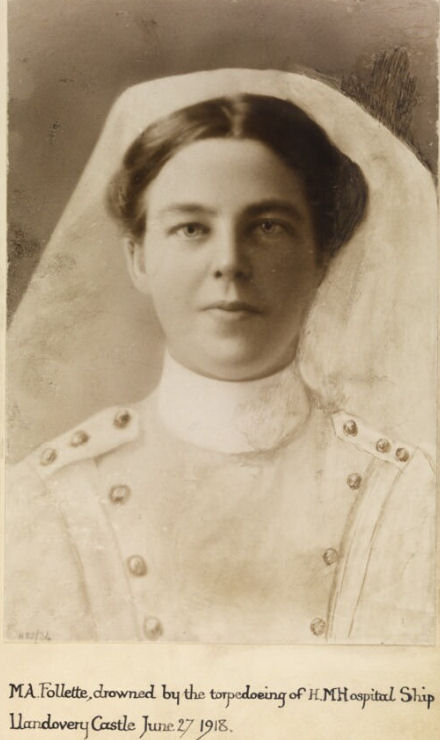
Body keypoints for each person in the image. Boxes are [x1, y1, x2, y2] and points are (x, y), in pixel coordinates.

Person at [5, 69, 436, 644]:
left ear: (321, 257)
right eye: (191, 228)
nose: (229, 262)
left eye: (267, 226)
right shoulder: (50, 499)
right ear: (138, 259)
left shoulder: (406, 494)